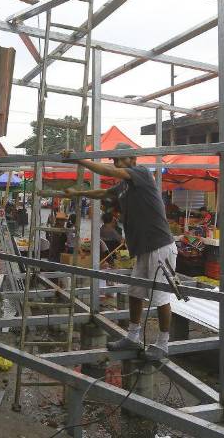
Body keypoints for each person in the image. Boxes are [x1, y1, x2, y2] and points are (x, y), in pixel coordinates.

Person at [62, 143, 177, 359]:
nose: (115, 163)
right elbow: (103, 192)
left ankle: (163, 344)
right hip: (142, 248)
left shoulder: (140, 173)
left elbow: (108, 172)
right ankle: (132, 337)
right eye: (114, 159)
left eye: (119, 159)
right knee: (134, 293)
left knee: (160, 297)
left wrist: (79, 159)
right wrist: (79, 193)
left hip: (160, 246)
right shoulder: (124, 186)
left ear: (133, 159)